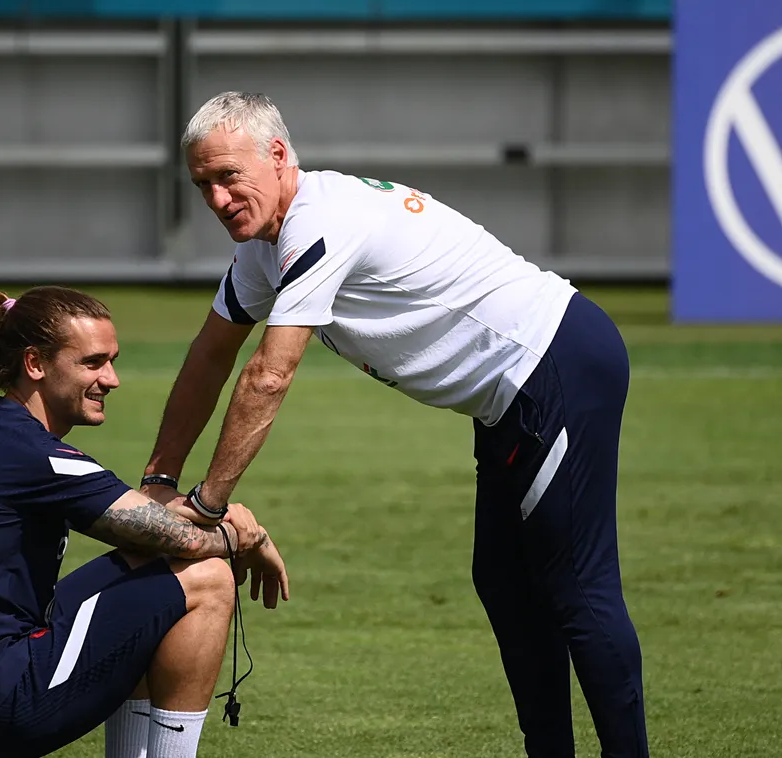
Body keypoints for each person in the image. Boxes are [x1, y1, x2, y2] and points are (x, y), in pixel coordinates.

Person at [138, 91, 648, 758]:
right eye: (202, 183)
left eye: (228, 176)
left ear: (278, 156)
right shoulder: (264, 249)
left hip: (552, 364)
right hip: (510, 394)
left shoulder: (319, 222)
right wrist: (158, 478)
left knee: (575, 587)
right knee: (503, 582)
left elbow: (269, 373)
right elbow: (211, 354)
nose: (216, 198)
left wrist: (206, 505)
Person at [0, 286, 290, 758]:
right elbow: (182, 538)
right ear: (36, 364)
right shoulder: (35, 456)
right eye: (93, 362)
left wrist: (221, 528)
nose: (112, 379)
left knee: (149, 572)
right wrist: (244, 535)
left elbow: (148, 523)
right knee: (205, 578)